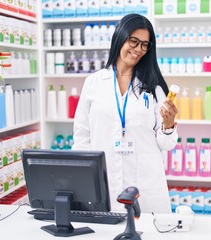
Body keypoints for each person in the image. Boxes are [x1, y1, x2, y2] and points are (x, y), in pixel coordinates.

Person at [72, 13, 178, 213]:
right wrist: (82, 180)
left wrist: (169, 124)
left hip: (145, 184)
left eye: (145, 45)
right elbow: (82, 137)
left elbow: (167, 143)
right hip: (104, 182)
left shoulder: (153, 88)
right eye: (134, 41)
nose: (138, 49)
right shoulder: (94, 83)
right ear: (120, 37)